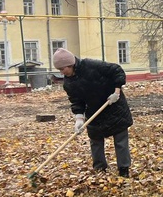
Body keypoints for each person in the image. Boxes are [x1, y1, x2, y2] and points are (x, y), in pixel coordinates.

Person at [53, 48, 134, 178]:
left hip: (114, 105)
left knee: (120, 139)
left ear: (70, 64)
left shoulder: (91, 65)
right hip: (94, 110)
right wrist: (79, 119)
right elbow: (76, 101)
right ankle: (100, 170)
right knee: (95, 140)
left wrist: (117, 92)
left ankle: (124, 170)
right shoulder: (68, 83)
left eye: (62, 69)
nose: (61, 72)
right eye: (59, 70)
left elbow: (117, 70)